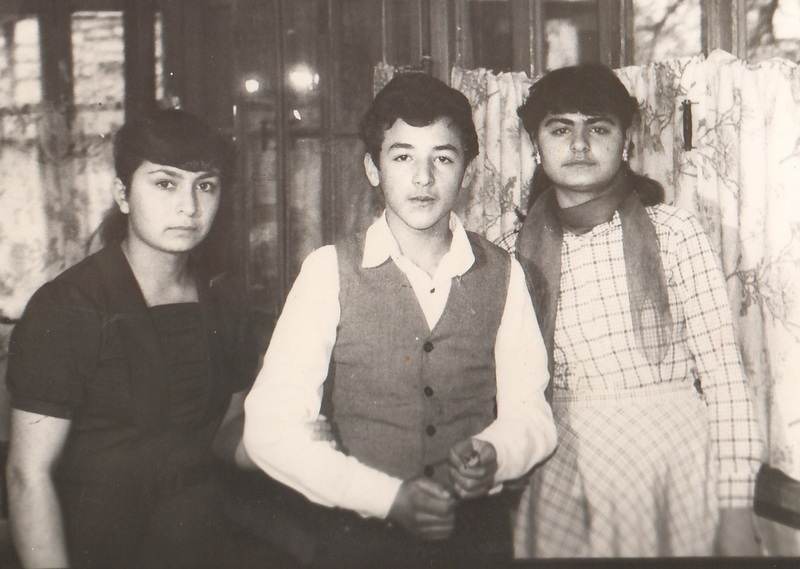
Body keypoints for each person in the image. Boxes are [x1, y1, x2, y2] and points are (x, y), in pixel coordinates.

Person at [241, 72, 557, 568]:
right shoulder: (328, 271)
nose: (423, 178)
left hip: (475, 543)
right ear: (373, 168)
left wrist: (496, 453)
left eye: (443, 158)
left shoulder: (505, 273)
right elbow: (270, 427)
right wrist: (385, 497)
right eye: (403, 156)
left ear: (468, 173)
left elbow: (532, 414)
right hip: (359, 544)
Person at [513, 63, 764, 558]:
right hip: (563, 467)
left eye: (598, 128)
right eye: (560, 129)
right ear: (535, 147)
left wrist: (736, 507)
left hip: (673, 462)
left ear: (626, 142)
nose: (579, 145)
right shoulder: (513, 252)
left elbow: (723, 376)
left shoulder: (674, 232)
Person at [5, 109, 260, 569]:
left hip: (202, 540)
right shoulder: (68, 307)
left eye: (205, 185)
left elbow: (226, 430)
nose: (189, 207)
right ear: (122, 195)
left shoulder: (225, 301)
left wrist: (291, 448)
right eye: (165, 183)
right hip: (97, 548)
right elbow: (28, 474)